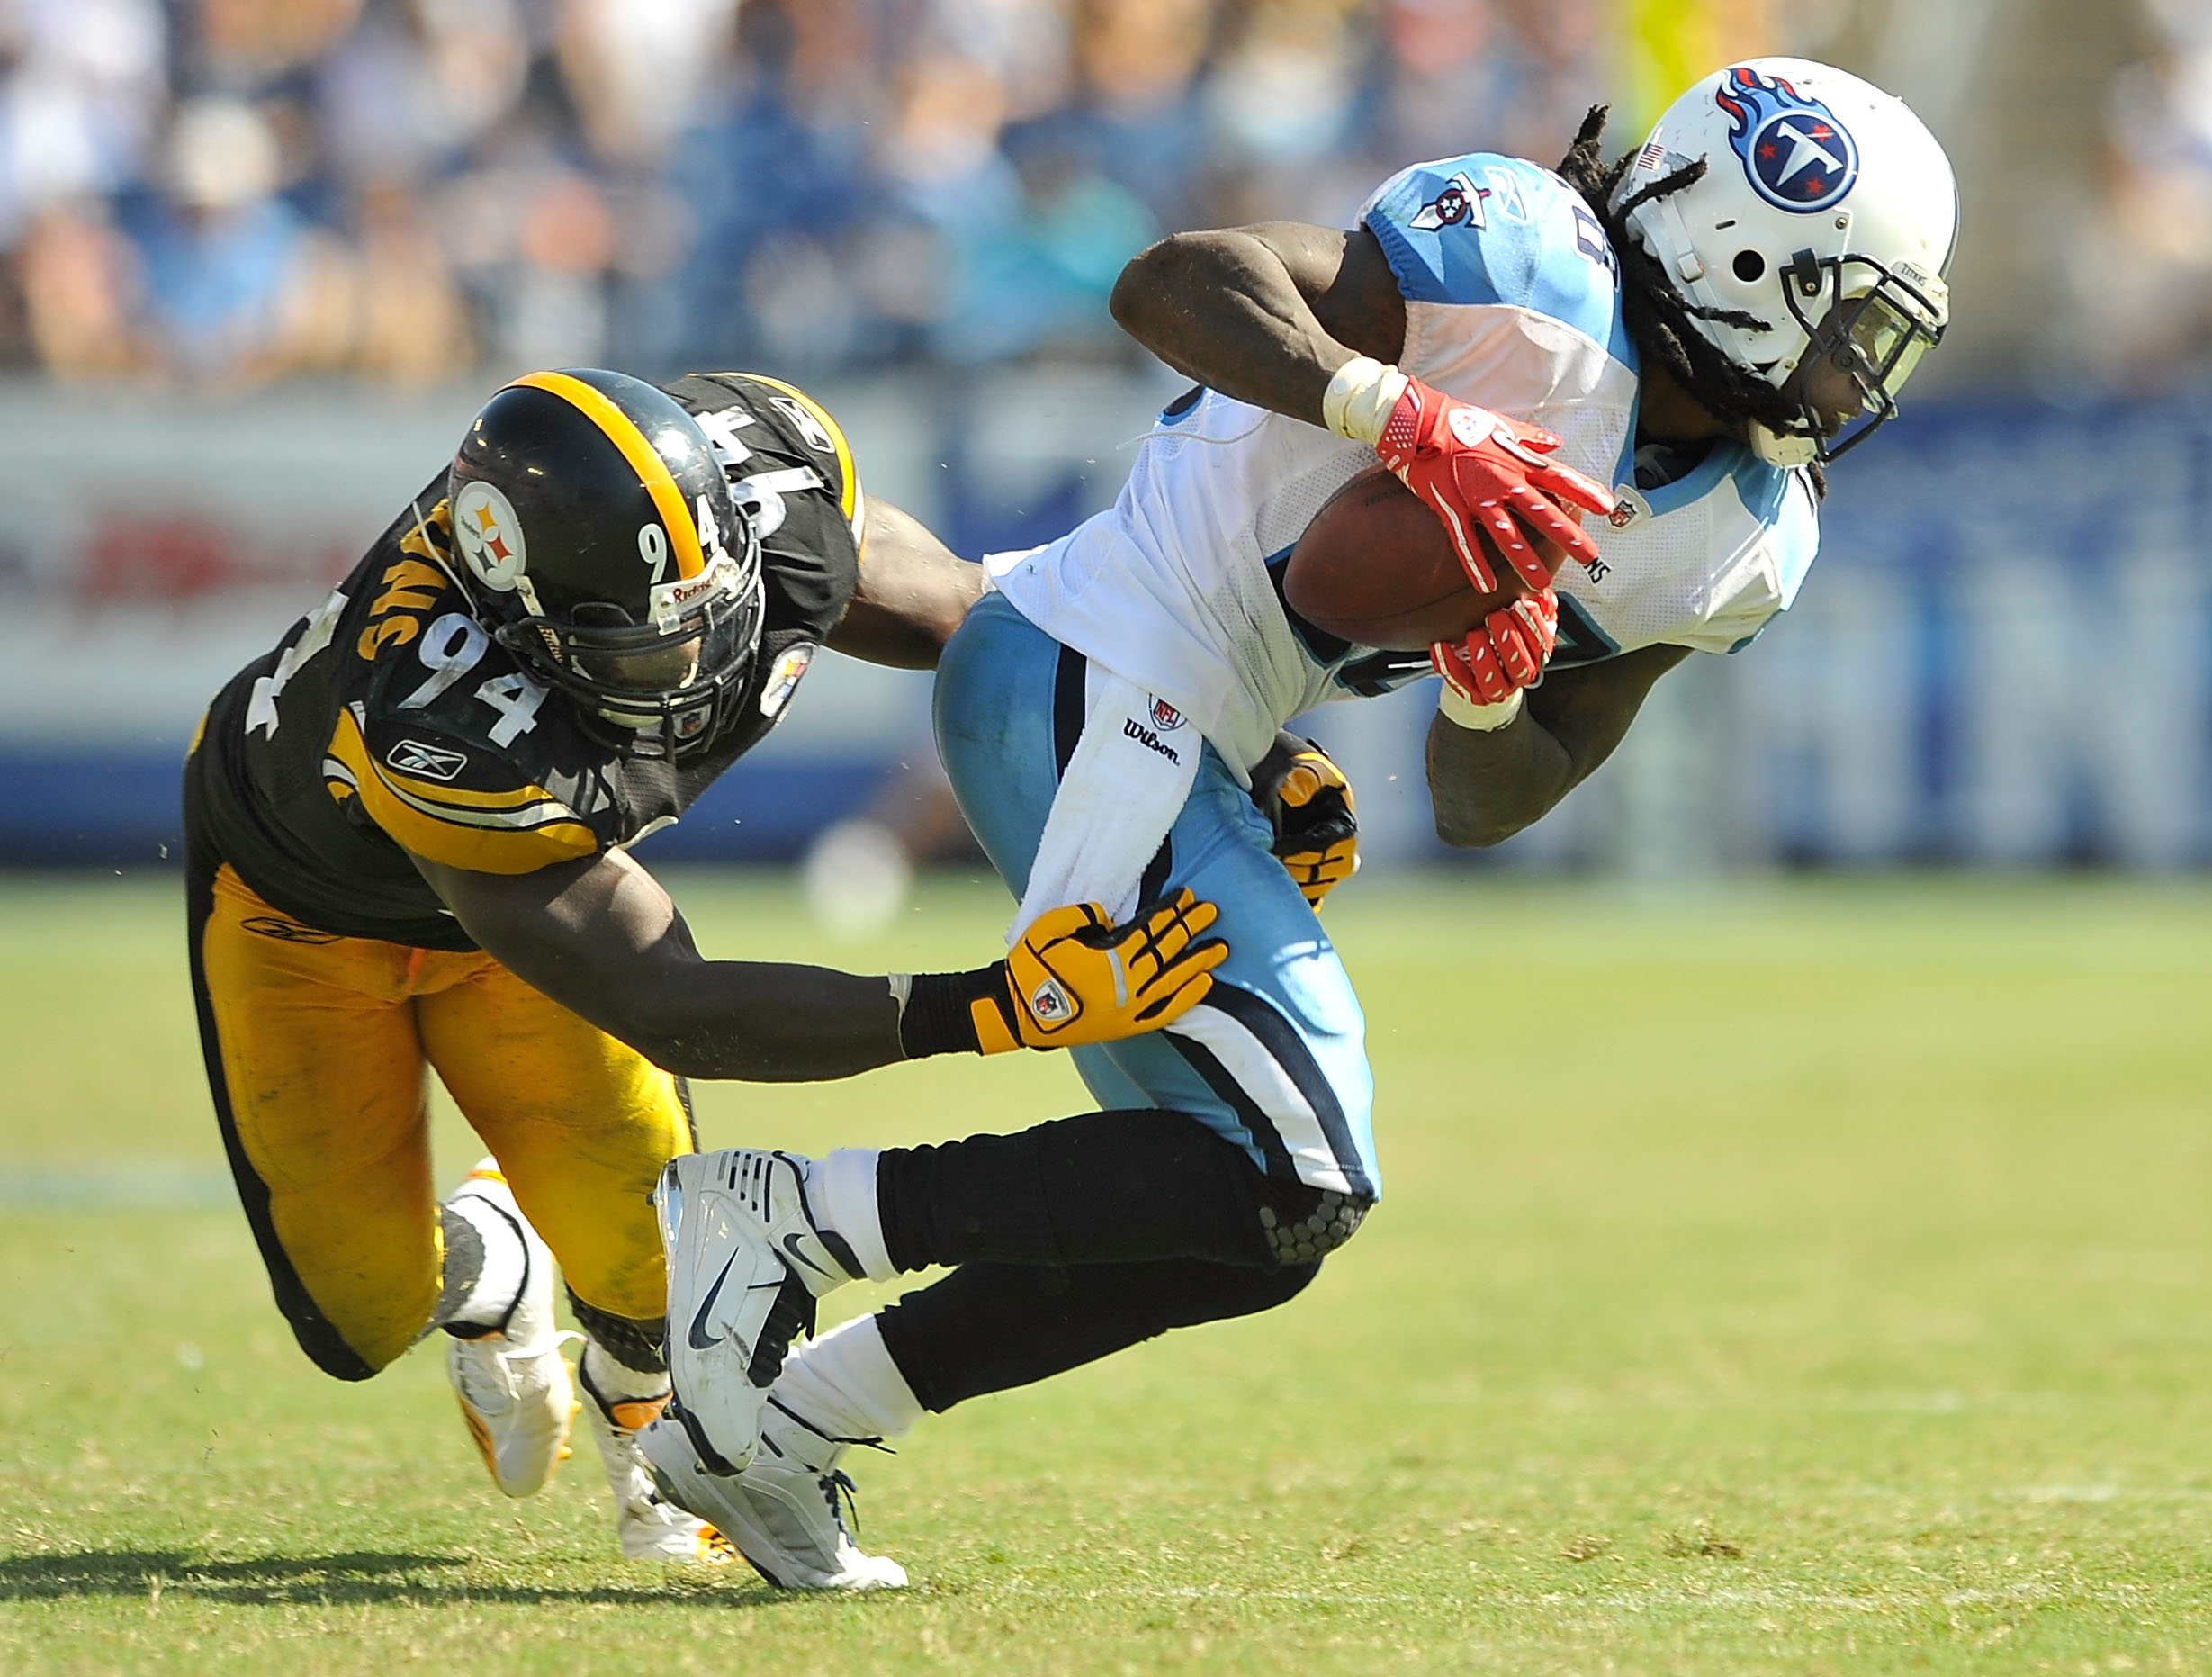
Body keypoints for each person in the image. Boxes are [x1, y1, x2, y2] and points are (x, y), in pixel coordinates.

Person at [637, 59, 1958, 1591]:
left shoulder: (1736, 538)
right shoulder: (1523, 269)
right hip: (1101, 667)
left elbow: (1486, 801)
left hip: (1181, 723)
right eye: (1848, 314)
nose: (1859, 369)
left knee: (1241, 1221)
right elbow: (1176, 281)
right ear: (1742, 255)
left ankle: (775, 1428)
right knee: (1295, 1169)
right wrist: (1387, 406)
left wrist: (1480, 691)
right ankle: (783, 1219)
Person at [182, 366, 1229, 1564]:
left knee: (643, 1262)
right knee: (358, 1315)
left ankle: (650, 1434)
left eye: (707, 611)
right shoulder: (440, 721)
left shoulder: (771, 481)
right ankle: (497, 1260)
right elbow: (672, 1006)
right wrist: (995, 1007)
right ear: (525, 618)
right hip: (306, 912)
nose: (688, 660)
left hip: (533, 887)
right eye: (636, 642)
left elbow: (971, 624)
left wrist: (1218, 749)